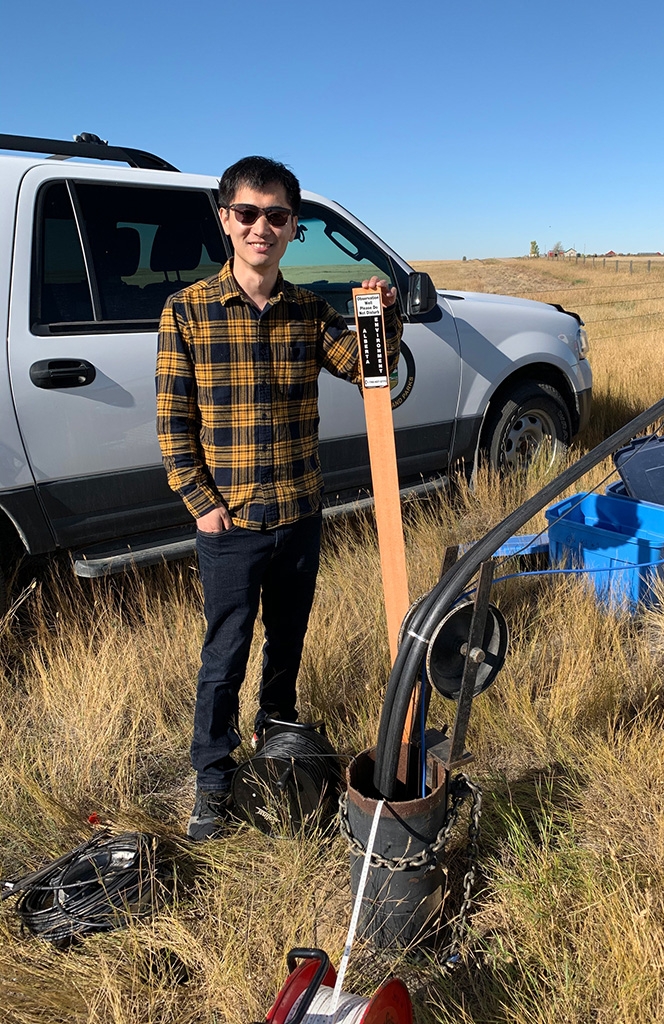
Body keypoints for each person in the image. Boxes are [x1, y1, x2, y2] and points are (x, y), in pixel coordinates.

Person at [156, 156, 401, 840]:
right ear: (225, 220)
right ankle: (212, 777)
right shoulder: (188, 312)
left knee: (285, 643)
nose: (261, 227)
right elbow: (173, 424)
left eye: (277, 216)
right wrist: (204, 504)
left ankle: (278, 742)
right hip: (230, 523)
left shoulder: (308, 311)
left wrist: (384, 316)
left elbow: (364, 368)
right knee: (225, 653)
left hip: (299, 514)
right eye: (247, 213)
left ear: (293, 228)